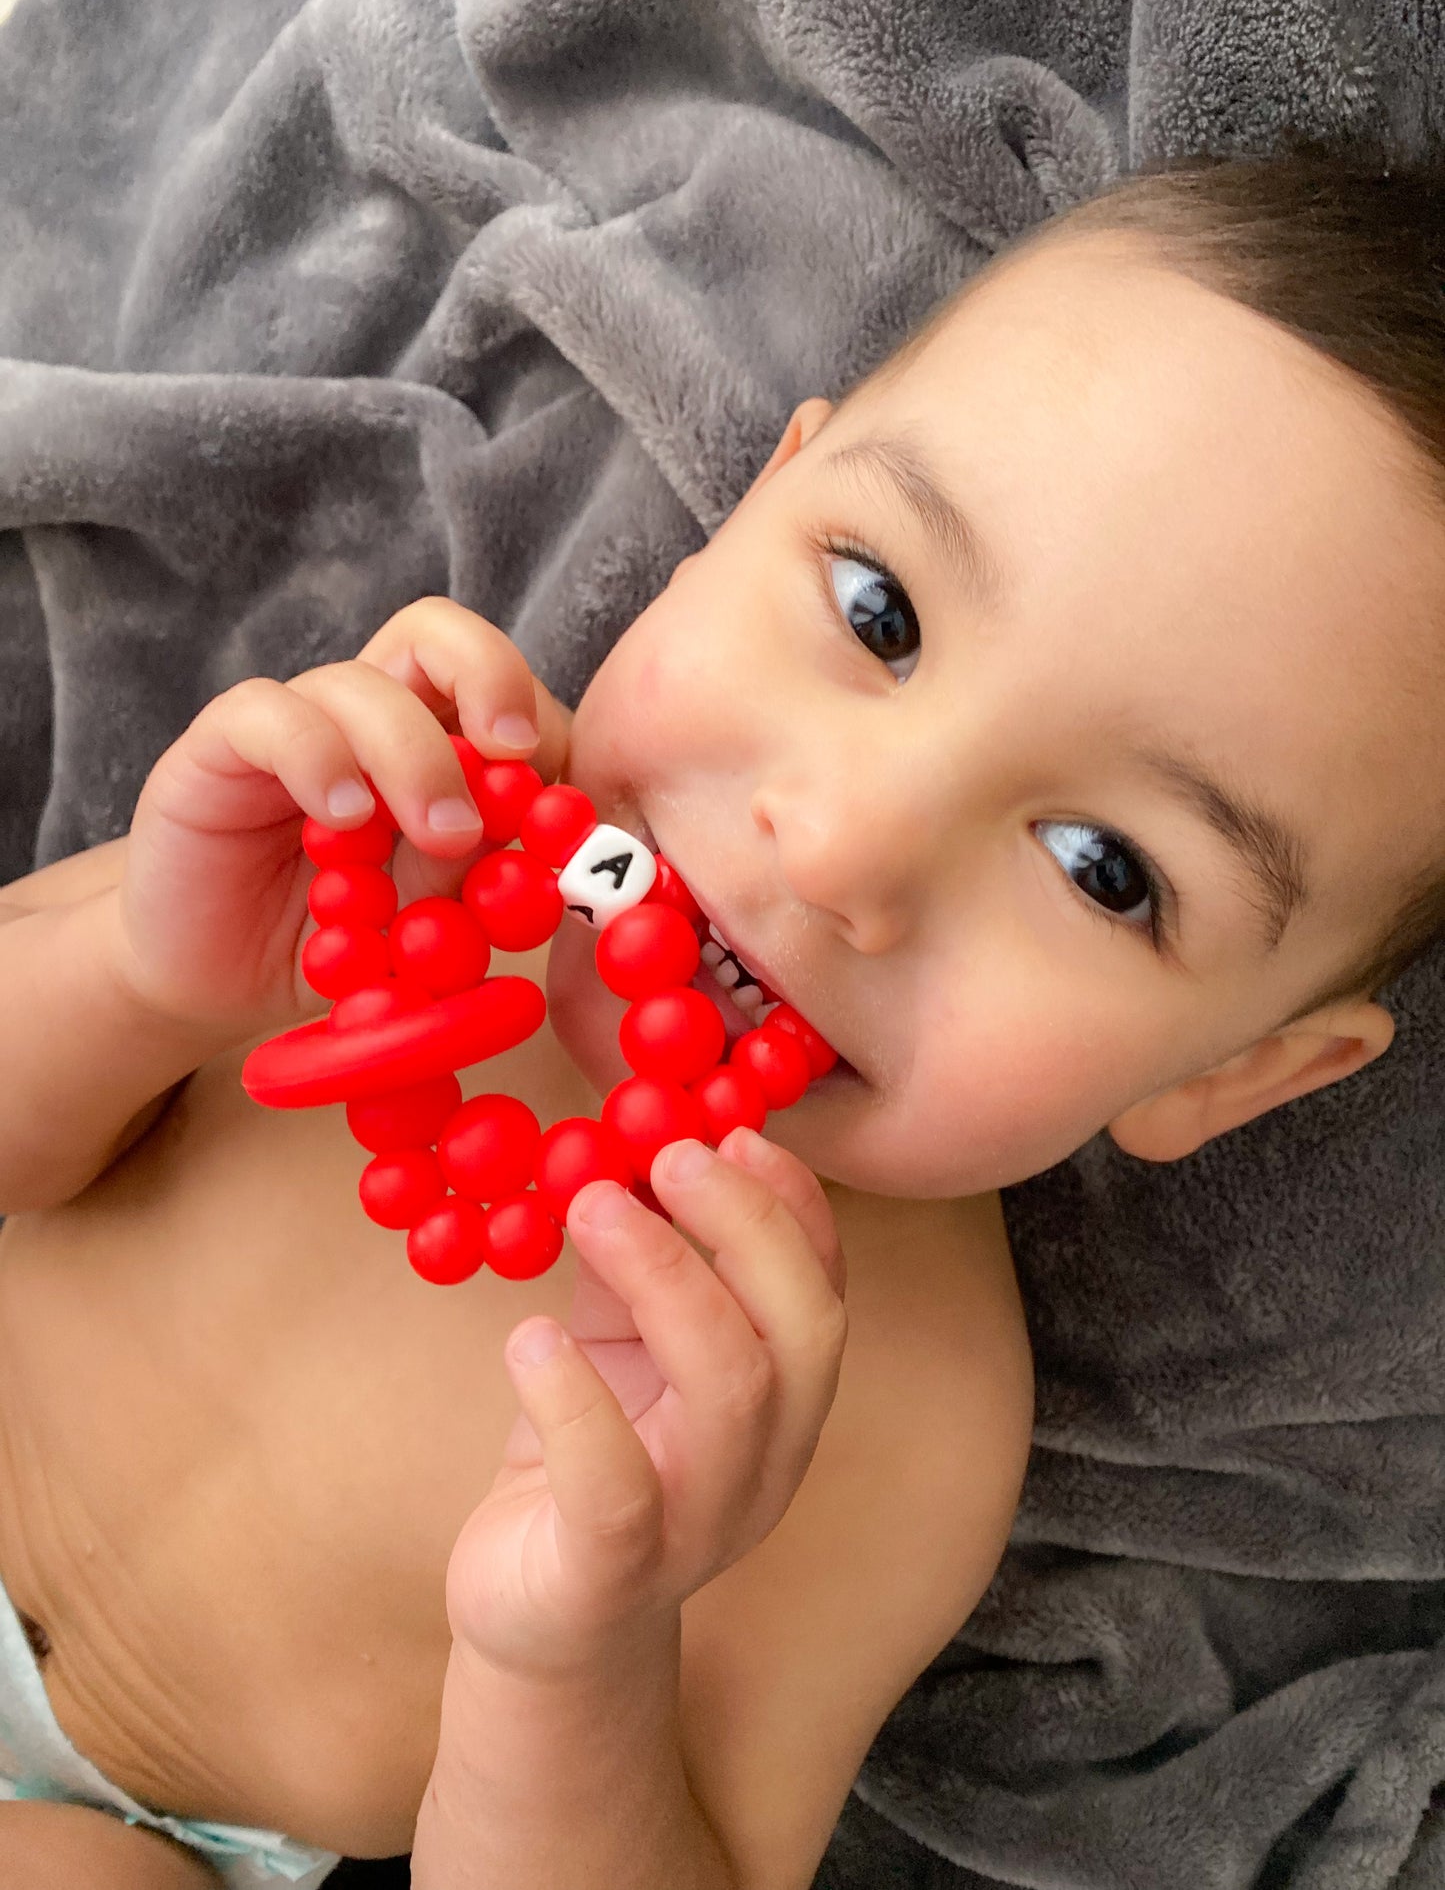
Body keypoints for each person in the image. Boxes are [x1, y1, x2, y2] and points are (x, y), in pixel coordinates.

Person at [1, 140, 1443, 1889]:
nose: (838, 849)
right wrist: (142, 974)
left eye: (1101, 868)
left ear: (1234, 1074)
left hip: (137, 1820)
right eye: (875, 611)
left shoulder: (889, 1420)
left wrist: (571, 1651)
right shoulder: (381, 849)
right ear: (753, 501)